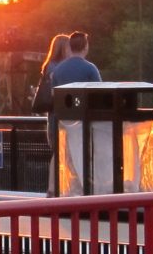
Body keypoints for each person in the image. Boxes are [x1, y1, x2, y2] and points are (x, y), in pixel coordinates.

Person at [50, 30, 103, 196]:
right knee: (86, 157)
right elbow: (99, 94)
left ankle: (63, 190)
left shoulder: (58, 70)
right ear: (85, 47)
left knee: (66, 158)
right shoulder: (90, 68)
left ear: (70, 47)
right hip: (84, 123)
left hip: (62, 122)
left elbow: (54, 96)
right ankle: (83, 190)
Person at [30, 33, 69, 193]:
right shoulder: (58, 68)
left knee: (57, 151)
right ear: (63, 48)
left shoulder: (48, 66)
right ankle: (55, 189)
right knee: (61, 152)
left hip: (51, 115)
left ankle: (55, 189)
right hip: (58, 115)